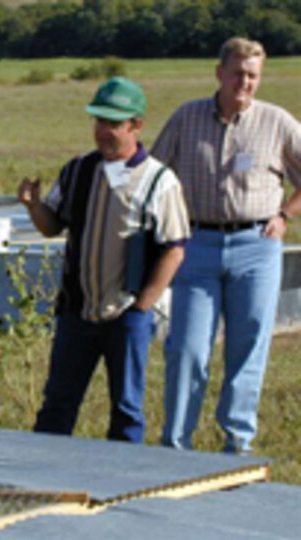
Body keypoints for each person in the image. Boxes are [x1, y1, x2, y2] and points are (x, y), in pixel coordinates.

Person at [19, 77, 190, 443]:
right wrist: (33, 206)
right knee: (57, 404)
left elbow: (174, 248)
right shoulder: (78, 169)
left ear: (136, 125)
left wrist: (142, 305)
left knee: (127, 409)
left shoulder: (160, 181)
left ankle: (121, 488)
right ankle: (38, 478)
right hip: (76, 311)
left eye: (113, 123)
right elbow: (52, 226)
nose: (103, 131)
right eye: (98, 121)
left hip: (126, 313)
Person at [152, 37, 301, 454]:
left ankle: (237, 442)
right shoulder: (188, 118)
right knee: (187, 347)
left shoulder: (277, 122)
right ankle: (175, 443)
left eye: (253, 75)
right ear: (219, 73)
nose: (245, 82)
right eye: (237, 73)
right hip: (197, 244)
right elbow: (156, 173)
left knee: (249, 342)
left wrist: (285, 214)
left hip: (256, 244)